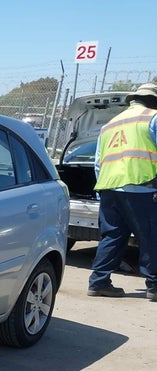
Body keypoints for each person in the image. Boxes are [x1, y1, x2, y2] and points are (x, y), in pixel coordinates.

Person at [88, 82, 157, 300]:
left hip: (110, 188)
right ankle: (154, 286)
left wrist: (104, 189)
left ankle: (99, 282)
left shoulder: (109, 124)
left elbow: (98, 162)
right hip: (143, 187)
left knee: (112, 236)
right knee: (151, 237)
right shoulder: (153, 118)